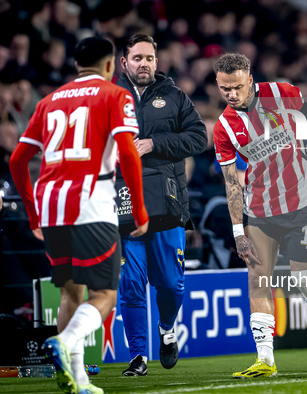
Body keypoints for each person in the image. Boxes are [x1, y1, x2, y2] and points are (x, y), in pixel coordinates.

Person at [9, 36, 149, 394]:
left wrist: (33, 212)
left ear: (75, 66)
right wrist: (140, 208)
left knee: (72, 293)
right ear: (109, 65)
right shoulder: (115, 95)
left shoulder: (47, 101)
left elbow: (17, 160)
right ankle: (66, 341)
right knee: (105, 294)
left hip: (52, 205)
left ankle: (78, 379)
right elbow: (129, 154)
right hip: (92, 203)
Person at [213, 53, 307, 378]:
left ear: (250, 79)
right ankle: (266, 359)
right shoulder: (224, 128)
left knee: (303, 280)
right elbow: (231, 185)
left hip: (302, 205)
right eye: (225, 88)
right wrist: (238, 231)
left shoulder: (283, 93)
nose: (231, 94)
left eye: (237, 87)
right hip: (260, 210)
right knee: (257, 277)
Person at [115, 34, 207, 376]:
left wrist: (153, 143)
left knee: (170, 283)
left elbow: (199, 137)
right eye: (137, 58)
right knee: (132, 283)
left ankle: (167, 330)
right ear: (124, 62)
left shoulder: (174, 96)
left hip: (168, 204)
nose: (144, 64)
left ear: (157, 61)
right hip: (123, 200)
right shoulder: (109, 98)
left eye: (150, 58)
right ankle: (138, 356)